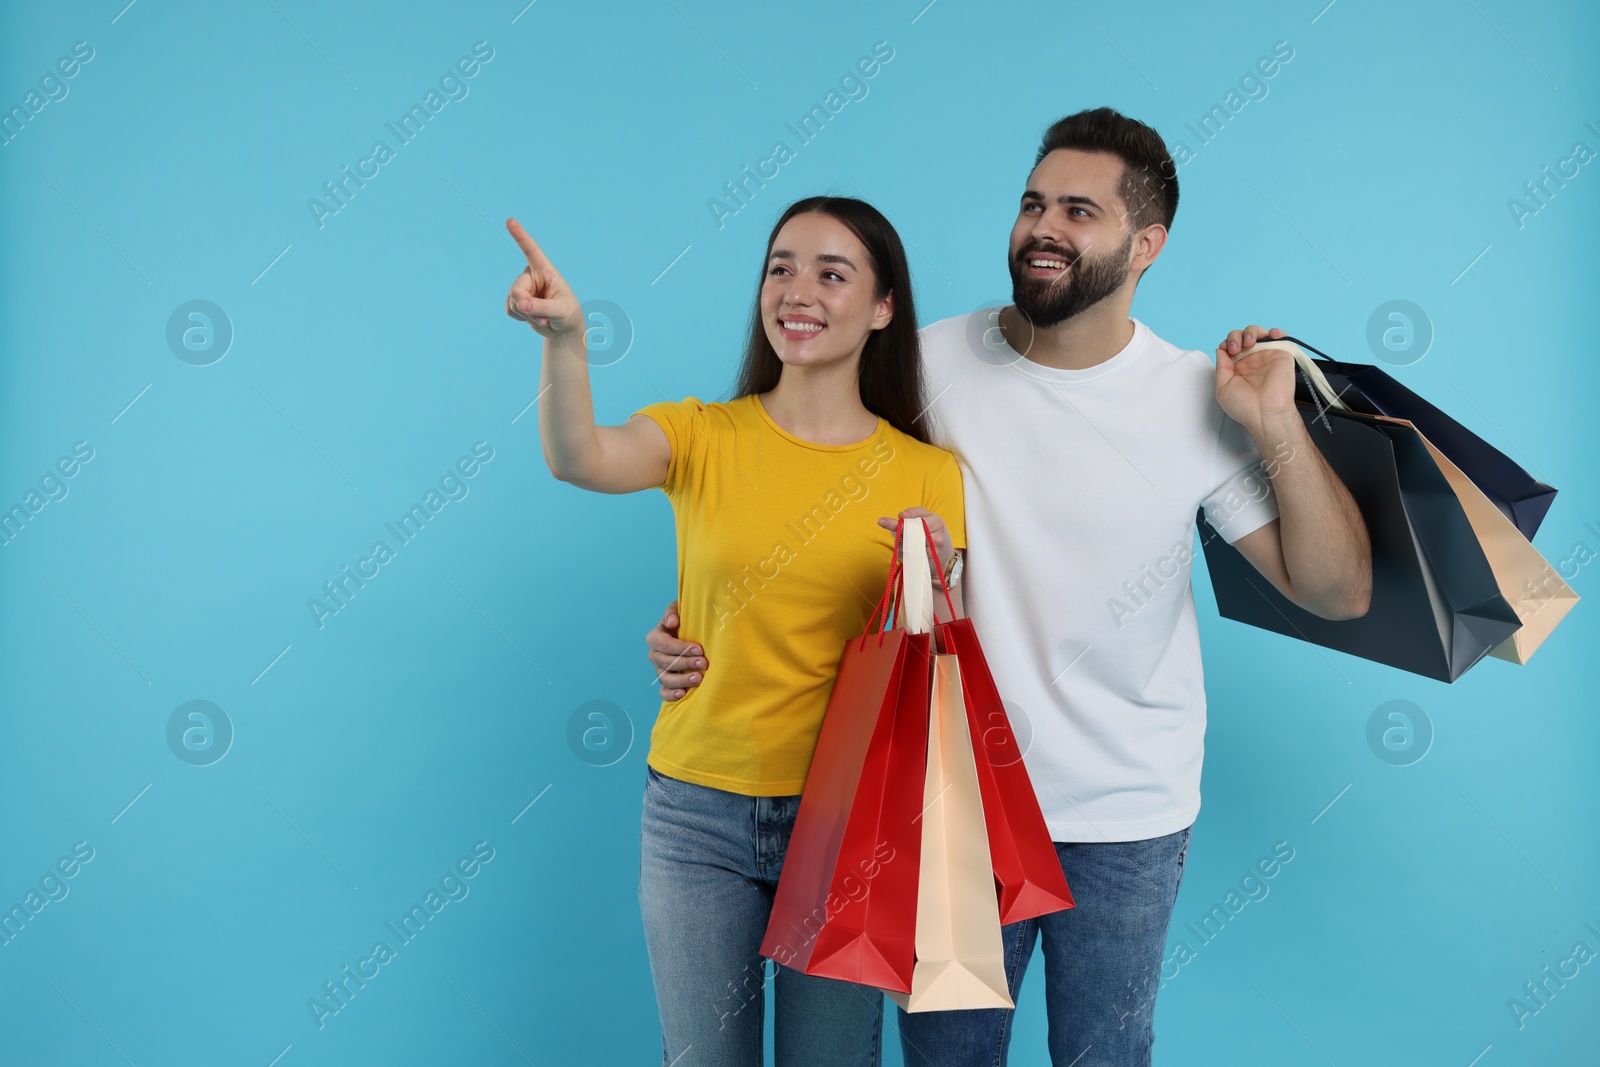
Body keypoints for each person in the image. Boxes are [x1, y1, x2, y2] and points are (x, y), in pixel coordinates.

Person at [644, 108, 1373, 1067]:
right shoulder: (931, 364)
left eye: (1080, 210)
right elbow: (799, 479)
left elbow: (1335, 591)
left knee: (1103, 1059)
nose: (1044, 228)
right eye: (1034, 203)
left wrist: (1275, 424)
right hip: (952, 809)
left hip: (1128, 814)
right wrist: (705, 621)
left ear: (1146, 244)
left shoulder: (1196, 393)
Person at [504, 195, 967, 1067]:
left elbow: (943, 662)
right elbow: (580, 457)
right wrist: (567, 339)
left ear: (882, 307)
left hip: (848, 822)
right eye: (781, 266)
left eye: (833, 273)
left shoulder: (929, 475)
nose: (798, 290)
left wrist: (944, 577)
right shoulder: (701, 434)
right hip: (696, 813)